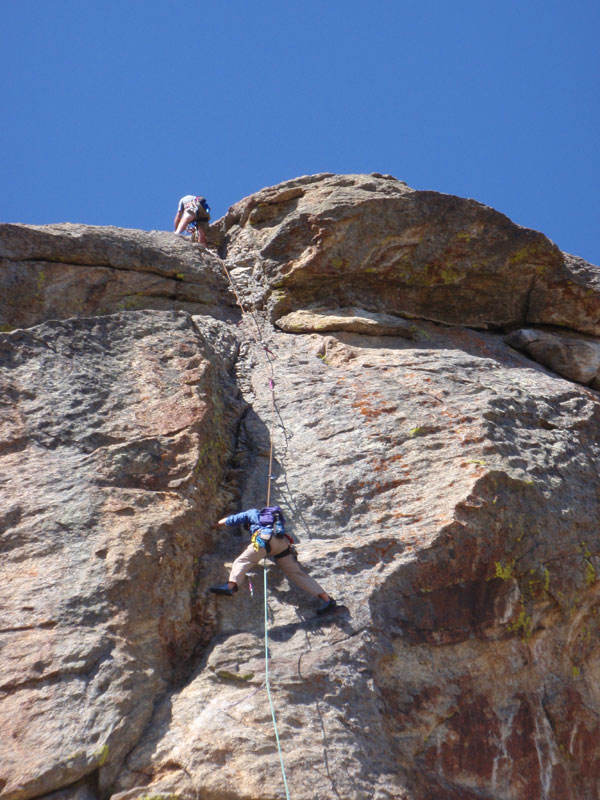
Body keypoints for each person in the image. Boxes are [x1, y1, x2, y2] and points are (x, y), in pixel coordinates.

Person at [210, 508, 337, 615]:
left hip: (264, 539)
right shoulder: (274, 520)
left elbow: (232, 520)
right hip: (282, 544)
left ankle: (230, 586)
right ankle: (327, 599)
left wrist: (214, 525)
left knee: (242, 561)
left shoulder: (251, 513)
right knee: (296, 573)